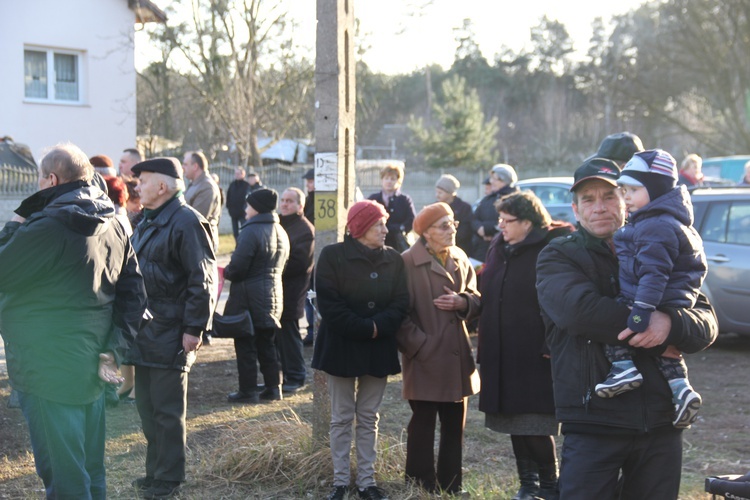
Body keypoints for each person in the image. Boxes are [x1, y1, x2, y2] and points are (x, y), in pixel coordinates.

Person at [535, 157, 718, 499]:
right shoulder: (559, 255)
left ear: (628, 199)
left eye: (610, 195)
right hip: (595, 420)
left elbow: (706, 322)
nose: (600, 207)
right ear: (575, 210)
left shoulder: (660, 241)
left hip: (662, 421)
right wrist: (653, 325)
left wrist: (672, 322)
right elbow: (580, 313)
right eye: (588, 199)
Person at [0, 143, 146, 499]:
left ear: (51, 179)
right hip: (96, 361)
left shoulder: (47, 225)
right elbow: (134, 296)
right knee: (89, 467)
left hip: (48, 365)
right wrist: (114, 350)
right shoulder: (114, 222)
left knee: (64, 473)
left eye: (39, 181)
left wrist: (17, 221)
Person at [594, 149, 707, 429]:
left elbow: (653, 274)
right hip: (673, 300)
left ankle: (623, 369)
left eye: (633, 189)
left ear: (655, 190)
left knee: (619, 318)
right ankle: (682, 390)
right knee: (667, 351)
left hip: (650, 299)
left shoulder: (655, 225)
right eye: (624, 190)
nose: (626, 197)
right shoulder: (665, 220)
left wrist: (641, 312)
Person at [127, 157, 217, 499]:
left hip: (171, 330)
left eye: (143, 180)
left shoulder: (186, 222)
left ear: (162, 186)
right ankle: (155, 472)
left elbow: (203, 279)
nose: (137, 186)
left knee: (166, 411)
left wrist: (194, 328)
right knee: (148, 408)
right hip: (146, 330)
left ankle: (169, 478)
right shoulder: (149, 220)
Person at [477, 191, 573, 500]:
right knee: (514, 423)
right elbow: (487, 288)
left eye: (508, 220)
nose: (500, 225)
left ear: (529, 222)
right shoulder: (499, 247)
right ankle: (528, 485)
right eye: (500, 219)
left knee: (534, 424)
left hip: (535, 352)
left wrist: (551, 339)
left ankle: (550, 486)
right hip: (503, 350)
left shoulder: (551, 248)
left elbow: (561, 300)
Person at [312, 200, 410, 500]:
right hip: (341, 347)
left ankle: (367, 481)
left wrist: (378, 327)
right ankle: (340, 482)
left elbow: (401, 302)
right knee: (341, 416)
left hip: (378, 349)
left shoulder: (393, 260)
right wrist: (365, 328)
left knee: (369, 416)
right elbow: (329, 304)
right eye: (378, 224)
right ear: (360, 227)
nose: (385, 229)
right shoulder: (332, 256)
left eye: (385, 223)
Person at [397, 202, 481, 495]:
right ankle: (419, 485)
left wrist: (464, 302)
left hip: (457, 357)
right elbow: (398, 314)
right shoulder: (407, 262)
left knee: (454, 426)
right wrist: (421, 346)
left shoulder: (459, 256)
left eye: (453, 223)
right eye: (444, 225)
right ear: (426, 233)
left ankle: (451, 486)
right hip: (425, 359)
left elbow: (475, 296)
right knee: (422, 424)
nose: (452, 229)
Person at [225, 188, 290, 404]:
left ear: (258, 207)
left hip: (248, 299)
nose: (245, 209)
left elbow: (237, 269)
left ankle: (248, 390)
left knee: (245, 346)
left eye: (248, 204)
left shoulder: (250, 232)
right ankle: (274, 387)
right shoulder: (280, 230)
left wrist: (225, 271)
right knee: (267, 344)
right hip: (272, 296)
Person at [277, 187, 314, 393]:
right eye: (283, 200)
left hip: (292, 289)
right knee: (278, 335)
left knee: (290, 334)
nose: (284, 204)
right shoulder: (279, 223)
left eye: (289, 201)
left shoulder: (304, 229)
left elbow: (300, 262)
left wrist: (273, 267)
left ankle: (297, 376)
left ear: (300, 206)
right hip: (276, 287)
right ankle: (284, 373)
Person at [471, 164, 519, 261]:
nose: (491, 181)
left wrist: (487, 230)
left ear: (504, 180)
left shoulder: (514, 199)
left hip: (503, 250)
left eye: (494, 179)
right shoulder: (488, 199)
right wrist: (479, 229)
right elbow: (474, 218)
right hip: (483, 250)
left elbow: (510, 221)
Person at [368, 163, 416, 252]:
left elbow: (411, 219)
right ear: (382, 180)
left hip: (398, 244)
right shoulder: (373, 199)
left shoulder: (405, 200)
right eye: (386, 178)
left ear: (398, 181)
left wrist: (400, 228)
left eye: (392, 179)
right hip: (376, 244)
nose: (389, 181)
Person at [182, 150, 222, 251]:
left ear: (195, 166)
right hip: (195, 241)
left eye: (185, 164)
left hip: (202, 244)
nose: (183, 167)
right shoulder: (196, 184)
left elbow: (196, 219)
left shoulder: (206, 187)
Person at [434, 174, 474, 256]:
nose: (437, 195)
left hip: (460, 249)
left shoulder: (464, 208)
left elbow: (466, 230)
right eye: (436, 192)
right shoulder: (435, 207)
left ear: (450, 193)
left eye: (440, 192)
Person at [302, 167, 316, 346]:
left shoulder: (321, 200)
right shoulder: (307, 200)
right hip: (308, 252)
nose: (308, 184)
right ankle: (311, 329)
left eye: (311, 181)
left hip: (317, 252)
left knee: (314, 292)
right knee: (309, 293)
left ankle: (314, 330)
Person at [226, 167, 251, 240]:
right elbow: (228, 196)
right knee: (235, 232)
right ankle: (237, 246)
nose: (236, 175)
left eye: (238, 173)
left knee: (244, 230)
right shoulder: (232, 184)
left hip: (243, 213)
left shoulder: (247, 185)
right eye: (235, 173)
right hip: (233, 212)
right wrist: (229, 208)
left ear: (243, 174)